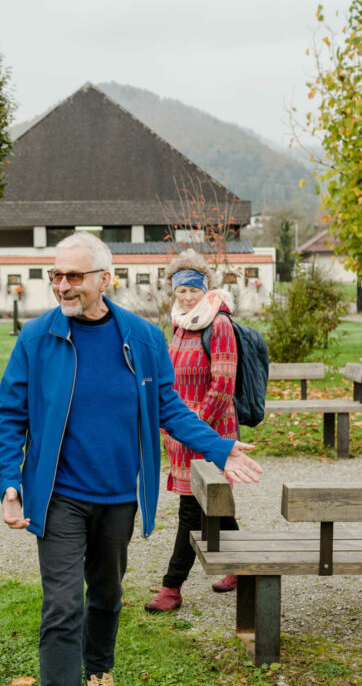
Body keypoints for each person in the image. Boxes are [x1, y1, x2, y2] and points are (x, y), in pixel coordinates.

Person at [0, 232, 262, 686]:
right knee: (62, 603)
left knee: (106, 594)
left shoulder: (140, 336)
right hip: (59, 495)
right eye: (55, 276)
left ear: (105, 279)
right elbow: (8, 416)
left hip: (118, 496)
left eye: (74, 276)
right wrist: (9, 482)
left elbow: (168, 406)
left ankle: (98, 671)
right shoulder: (38, 338)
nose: (62, 286)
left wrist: (219, 446)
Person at [145, 250, 242, 615]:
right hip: (181, 433)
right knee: (210, 504)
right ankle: (240, 566)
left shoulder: (218, 325)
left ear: (206, 289)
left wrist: (194, 431)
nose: (187, 296)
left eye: (193, 289)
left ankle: (172, 588)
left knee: (191, 508)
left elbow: (222, 386)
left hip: (208, 432)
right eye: (181, 290)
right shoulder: (182, 323)